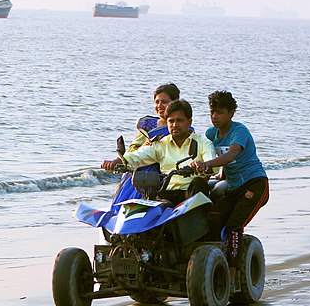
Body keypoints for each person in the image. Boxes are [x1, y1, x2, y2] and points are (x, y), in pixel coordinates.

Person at [189, 90, 269, 270]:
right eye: (212, 112)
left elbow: (231, 155)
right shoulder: (210, 133)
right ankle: (214, 261)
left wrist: (206, 164)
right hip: (233, 188)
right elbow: (209, 152)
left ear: (231, 113)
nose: (214, 116)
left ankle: (234, 271)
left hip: (255, 184)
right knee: (213, 217)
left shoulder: (239, 131)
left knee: (234, 225)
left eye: (220, 112)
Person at [102, 99, 216, 205]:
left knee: (198, 183)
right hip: (167, 193)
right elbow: (138, 156)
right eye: (171, 121)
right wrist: (116, 162)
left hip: (191, 194)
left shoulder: (203, 143)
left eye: (179, 120)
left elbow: (212, 165)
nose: (175, 125)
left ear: (189, 122)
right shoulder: (161, 144)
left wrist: (202, 166)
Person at [109, 83, 181, 212]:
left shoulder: (180, 127)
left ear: (174, 103)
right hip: (141, 174)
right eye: (157, 102)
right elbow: (132, 150)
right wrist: (144, 147)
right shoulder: (148, 126)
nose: (159, 106)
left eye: (164, 102)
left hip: (165, 175)